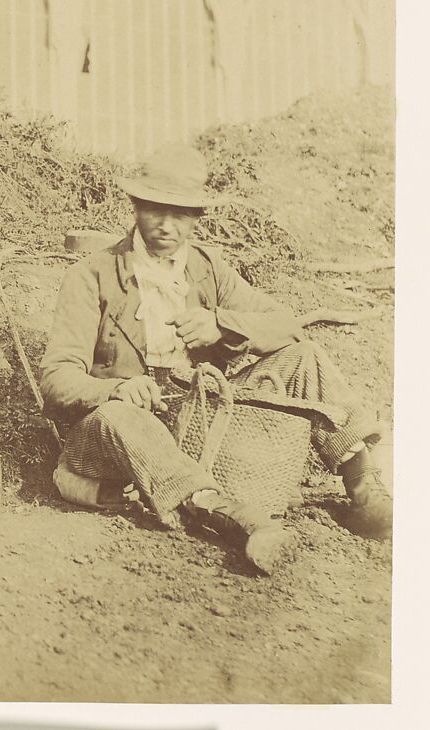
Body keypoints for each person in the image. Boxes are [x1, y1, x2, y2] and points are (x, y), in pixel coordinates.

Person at [40, 146, 392, 573]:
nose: (167, 225)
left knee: (305, 355)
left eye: (181, 213)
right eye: (154, 209)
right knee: (121, 416)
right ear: (135, 207)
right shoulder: (91, 275)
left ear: (197, 217)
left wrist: (222, 325)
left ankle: (363, 487)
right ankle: (231, 517)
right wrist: (116, 387)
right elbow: (57, 379)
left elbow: (287, 325)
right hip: (113, 435)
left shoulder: (207, 269)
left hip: (198, 424)